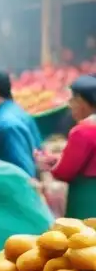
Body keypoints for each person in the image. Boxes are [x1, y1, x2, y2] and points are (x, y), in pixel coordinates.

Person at [37, 75, 96, 218]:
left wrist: (50, 166)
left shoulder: (82, 131)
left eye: (72, 100)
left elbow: (64, 172)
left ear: (81, 101)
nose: (70, 106)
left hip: (88, 199)